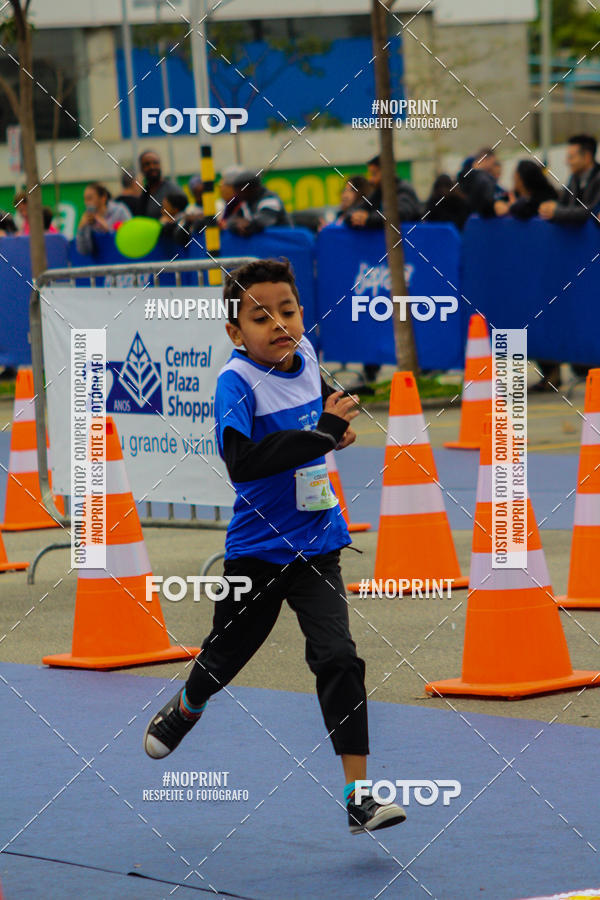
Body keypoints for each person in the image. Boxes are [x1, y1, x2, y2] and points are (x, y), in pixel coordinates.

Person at [143, 258, 407, 836]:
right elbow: (243, 463)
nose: (278, 324)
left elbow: (323, 399)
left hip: (318, 545)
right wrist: (320, 434)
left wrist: (336, 414)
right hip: (258, 553)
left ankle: (358, 797)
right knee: (221, 661)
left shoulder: (307, 354)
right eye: (260, 317)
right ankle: (187, 704)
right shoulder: (234, 384)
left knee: (338, 657)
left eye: (287, 310)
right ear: (235, 332)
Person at [539, 134, 600, 225]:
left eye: (571, 157)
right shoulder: (574, 178)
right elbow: (563, 203)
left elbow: (592, 211)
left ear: (587, 157)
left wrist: (556, 212)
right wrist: (550, 207)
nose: (567, 162)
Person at [347, 155, 422, 228]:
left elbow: (399, 215)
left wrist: (369, 219)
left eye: (374, 174)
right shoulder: (379, 192)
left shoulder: (404, 190)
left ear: (387, 172)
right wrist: (355, 217)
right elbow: (355, 210)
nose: (370, 179)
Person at [225, 171, 290, 236]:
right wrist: (236, 224)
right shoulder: (246, 202)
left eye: (240, 190)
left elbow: (262, 222)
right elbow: (231, 220)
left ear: (252, 189)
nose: (236, 194)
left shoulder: (270, 200)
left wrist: (247, 224)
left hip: (284, 242)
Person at [75, 182, 131, 256]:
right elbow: (84, 251)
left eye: (89, 199)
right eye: (85, 199)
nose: (86, 203)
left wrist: (108, 230)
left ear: (103, 198)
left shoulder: (120, 211)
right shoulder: (87, 219)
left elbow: (130, 238)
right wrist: (81, 228)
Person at [458, 148, 508, 217]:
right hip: (480, 219)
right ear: (486, 159)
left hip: (466, 219)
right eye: (492, 162)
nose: (492, 166)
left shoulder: (464, 176)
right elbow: (488, 203)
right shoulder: (485, 179)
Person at [136, 149, 186, 219]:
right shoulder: (143, 194)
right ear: (141, 168)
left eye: (155, 163)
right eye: (147, 164)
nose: (152, 167)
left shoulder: (173, 190)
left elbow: (184, 216)